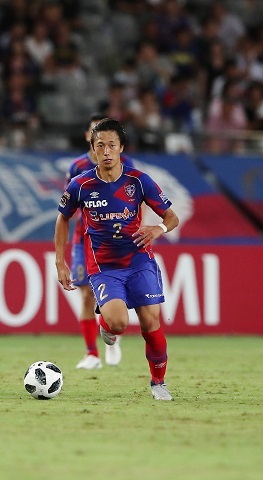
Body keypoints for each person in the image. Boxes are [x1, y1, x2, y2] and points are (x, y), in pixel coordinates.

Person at [55, 118, 179, 400]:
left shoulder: (139, 180)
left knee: (150, 322)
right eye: (100, 145)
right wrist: (60, 262)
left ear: (121, 147)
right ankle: (106, 328)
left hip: (139, 261)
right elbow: (62, 219)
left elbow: (172, 217)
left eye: (112, 145)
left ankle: (158, 383)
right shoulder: (80, 184)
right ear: (93, 149)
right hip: (104, 267)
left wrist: (158, 228)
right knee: (119, 323)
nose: (107, 151)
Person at [64, 113, 134, 370]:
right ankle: (92, 354)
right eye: (96, 133)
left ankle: (111, 334)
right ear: (88, 137)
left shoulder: (125, 164)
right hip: (84, 238)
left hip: (114, 239)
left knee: (112, 290)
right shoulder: (77, 167)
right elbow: (68, 205)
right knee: (85, 294)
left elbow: (135, 197)